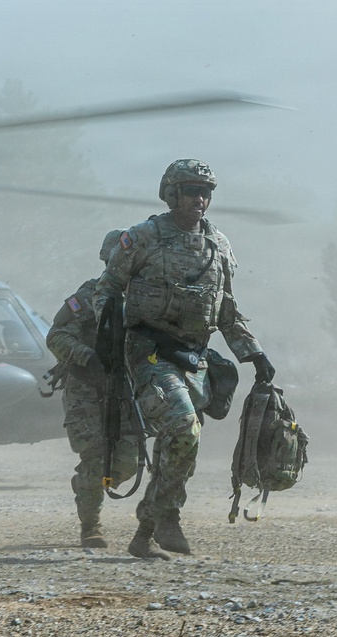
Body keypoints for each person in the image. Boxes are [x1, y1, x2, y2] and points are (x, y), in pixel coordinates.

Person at [93, 159, 276, 560]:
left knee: (176, 448)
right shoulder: (142, 238)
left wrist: (254, 354)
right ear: (171, 194)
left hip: (194, 358)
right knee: (184, 429)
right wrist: (107, 335)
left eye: (206, 192)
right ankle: (168, 518)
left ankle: (144, 533)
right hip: (148, 353)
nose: (200, 199)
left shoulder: (219, 246)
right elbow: (105, 291)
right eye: (192, 190)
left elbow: (227, 312)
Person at [46, 230, 142, 548]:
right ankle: (91, 526)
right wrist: (89, 358)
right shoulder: (88, 297)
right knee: (94, 457)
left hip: (126, 393)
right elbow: (57, 335)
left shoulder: (145, 300)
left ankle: (91, 486)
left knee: (129, 460)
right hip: (86, 391)